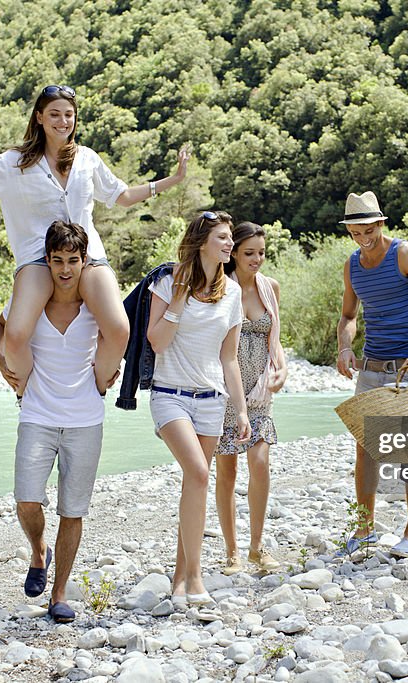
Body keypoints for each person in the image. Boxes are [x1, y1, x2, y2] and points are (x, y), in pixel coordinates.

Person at [0, 84, 190, 398]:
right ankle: (27, 394)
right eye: (54, 114)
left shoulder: (86, 159)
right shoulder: (16, 162)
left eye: (69, 115)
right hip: (38, 259)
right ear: (39, 117)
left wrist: (173, 179)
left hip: (88, 256)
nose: (62, 121)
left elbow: (121, 196)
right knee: (14, 337)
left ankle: (95, 389)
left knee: (120, 329)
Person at [0, 220, 113, 623]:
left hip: (85, 418)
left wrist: (108, 373)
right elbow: (0, 327)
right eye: (57, 260)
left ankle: (59, 593)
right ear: (47, 260)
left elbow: (118, 337)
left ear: (84, 261)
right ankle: (38, 548)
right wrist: (0, 361)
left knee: (72, 510)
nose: (65, 269)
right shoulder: (33, 300)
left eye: (73, 260)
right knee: (26, 499)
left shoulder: (95, 304)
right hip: (37, 414)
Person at [335, 191, 408, 558]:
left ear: (381, 223)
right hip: (371, 367)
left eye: (368, 229)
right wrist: (344, 347)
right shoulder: (352, 265)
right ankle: (364, 529)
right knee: (365, 451)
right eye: (355, 231)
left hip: (407, 367)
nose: (363, 237)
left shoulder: (405, 254)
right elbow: (349, 316)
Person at [146, 210, 251, 606]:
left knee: (196, 484)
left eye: (230, 239)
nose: (229, 245)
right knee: (199, 472)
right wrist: (177, 299)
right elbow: (156, 341)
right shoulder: (168, 281)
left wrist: (239, 410)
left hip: (212, 400)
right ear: (203, 241)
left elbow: (229, 359)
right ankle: (195, 578)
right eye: (223, 238)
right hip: (169, 394)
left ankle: (178, 579)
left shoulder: (234, 293)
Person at [214, 222, 288, 575]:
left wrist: (283, 370)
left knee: (259, 463)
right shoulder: (218, 288)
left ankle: (257, 547)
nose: (257, 259)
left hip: (259, 391)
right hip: (223, 391)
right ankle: (232, 552)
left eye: (261, 252)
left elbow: (276, 339)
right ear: (233, 254)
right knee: (226, 471)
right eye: (249, 253)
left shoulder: (269, 288)